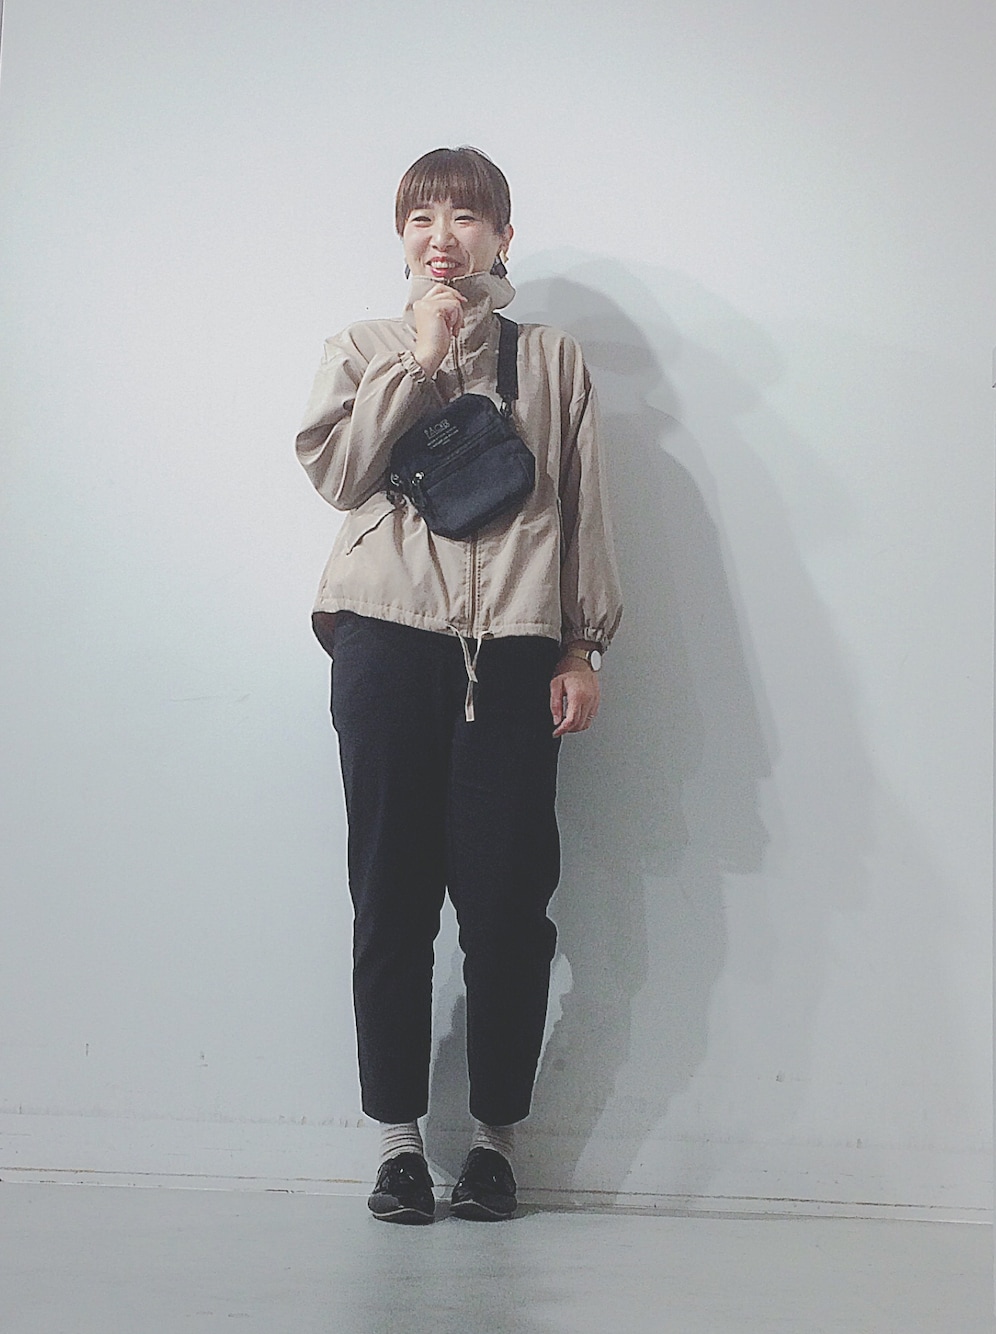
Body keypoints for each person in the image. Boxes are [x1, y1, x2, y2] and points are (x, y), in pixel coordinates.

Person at [296, 147, 622, 1223]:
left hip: (515, 650)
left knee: (507, 909)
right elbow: (340, 475)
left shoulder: (552, 360)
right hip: (384, 642)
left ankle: (493, 1142)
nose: (443, 237)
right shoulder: (363, 347)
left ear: (502, 237)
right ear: (401, 236)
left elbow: (581, 505)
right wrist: (420, 360)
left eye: (467, 217)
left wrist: (581, 647)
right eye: (422, 218)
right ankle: (396, 1143)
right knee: (389, 898)